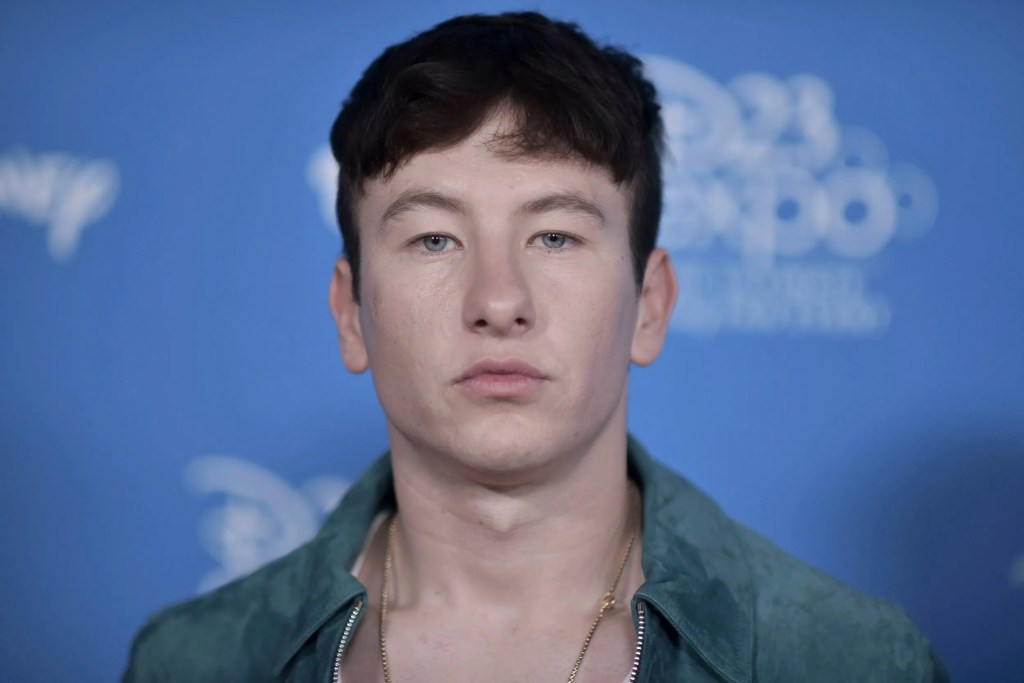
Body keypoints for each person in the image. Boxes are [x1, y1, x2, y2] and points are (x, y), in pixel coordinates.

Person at [122, 11, 947, 682]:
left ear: (649, 305)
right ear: (350, 313)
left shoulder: (848, 659)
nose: (498, 302)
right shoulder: (196, 661)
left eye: (555, 236)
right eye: (434, 239)